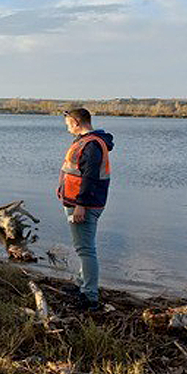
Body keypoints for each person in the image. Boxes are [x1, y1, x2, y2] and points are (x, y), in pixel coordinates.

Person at [57, 108, 114, 311]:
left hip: (83, 206)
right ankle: (82, 286)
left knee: (85, 250)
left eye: (68, 124)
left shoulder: (92, 145)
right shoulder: (88, 141)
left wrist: (81, 205)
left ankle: (90, 296)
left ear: (76, 122)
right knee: (84, 247)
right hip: (78, 203)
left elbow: (89, 178)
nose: (67, 128)